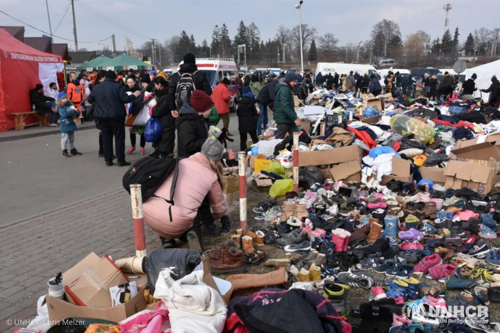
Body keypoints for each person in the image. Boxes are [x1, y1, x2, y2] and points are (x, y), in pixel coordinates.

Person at [143, 139, 227, 252]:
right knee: (193, 210)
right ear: (218, 159)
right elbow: (220, 208)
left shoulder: (180, 162)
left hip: (150, 214)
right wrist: (214, 217)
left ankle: (166, 240)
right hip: (177, 220)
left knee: (167, 205)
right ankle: (193, 233)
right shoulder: (211, 175)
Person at [87, 70, 140, 167]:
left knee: (106, 139)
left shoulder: (97, 88)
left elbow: (90, 100)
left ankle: (108, 160)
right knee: (119, 139)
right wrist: (134, 95)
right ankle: (120, 160)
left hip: (102, 117)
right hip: (117, 117)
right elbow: (125, 99)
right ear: (115, 78)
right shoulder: (118, 87)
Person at [168, 53, 212, 118]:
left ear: (184, 62)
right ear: (194, 62)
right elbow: (208, 92)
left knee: (182, 127)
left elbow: (170, 93)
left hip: (180, 110)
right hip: (197, 111)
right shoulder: (200, 75)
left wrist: (172, 108)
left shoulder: (175, 76)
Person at [176, 90, 212, 159]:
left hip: (197, 158)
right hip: (190, 161)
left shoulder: (199, 118)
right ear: (202, 108)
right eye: (209, 108)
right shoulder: (187, 123)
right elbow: (188, 145)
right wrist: (206, 141)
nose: (210, 110)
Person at [151, 76, 174, 159]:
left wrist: (152, 110)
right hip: (161, 120)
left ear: (160, 84)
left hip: (167, 120)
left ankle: (165, 154)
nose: (155, 87)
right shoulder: (159, 94)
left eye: (155, 85)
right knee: (160, 137)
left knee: (166, 137)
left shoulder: (167, 95)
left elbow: (161, 110)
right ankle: (159, 152)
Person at [274, 71, 301, 139]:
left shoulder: (286, 89)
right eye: (294, 81)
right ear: (289, 81)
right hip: (283, 119)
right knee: (279, 139)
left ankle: (296, 148)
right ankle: (275, 148)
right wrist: (294, 118)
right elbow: (285, 107)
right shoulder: (284, 90)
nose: (295, 83)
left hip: (288, 119)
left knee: (296, 136)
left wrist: (294, 117)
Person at [56, 92, 82, 158]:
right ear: (60, 100)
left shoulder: (69, 105)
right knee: (64, 138)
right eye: (63, 98)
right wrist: (73, 111)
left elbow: (77, 112)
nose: (65, 99)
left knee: (71, 138)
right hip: (65, 123)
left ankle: (72, 149)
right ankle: (64, 150)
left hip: (70, 123)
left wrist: (76, 111)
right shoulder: (60, 107)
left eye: (65, 98)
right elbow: (65, 114)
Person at [125, 76, 146, 155]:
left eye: (131, 82)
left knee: (142, 130)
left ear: (134, 82)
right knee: (132, 130)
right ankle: (133, 146)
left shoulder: (140, 91)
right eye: (128, 82)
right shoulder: (124, 90)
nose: (130, 84)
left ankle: (142, 146)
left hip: (139, 112)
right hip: (130, 113)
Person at [237, 86, 259, 151]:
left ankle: (243, 153)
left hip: (242, 123)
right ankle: (257, 152)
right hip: (251, 122)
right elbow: (258, 112)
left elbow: (237, 112)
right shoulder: (254, 101)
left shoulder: (239, 102)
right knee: (254, 138)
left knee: (243, 140)